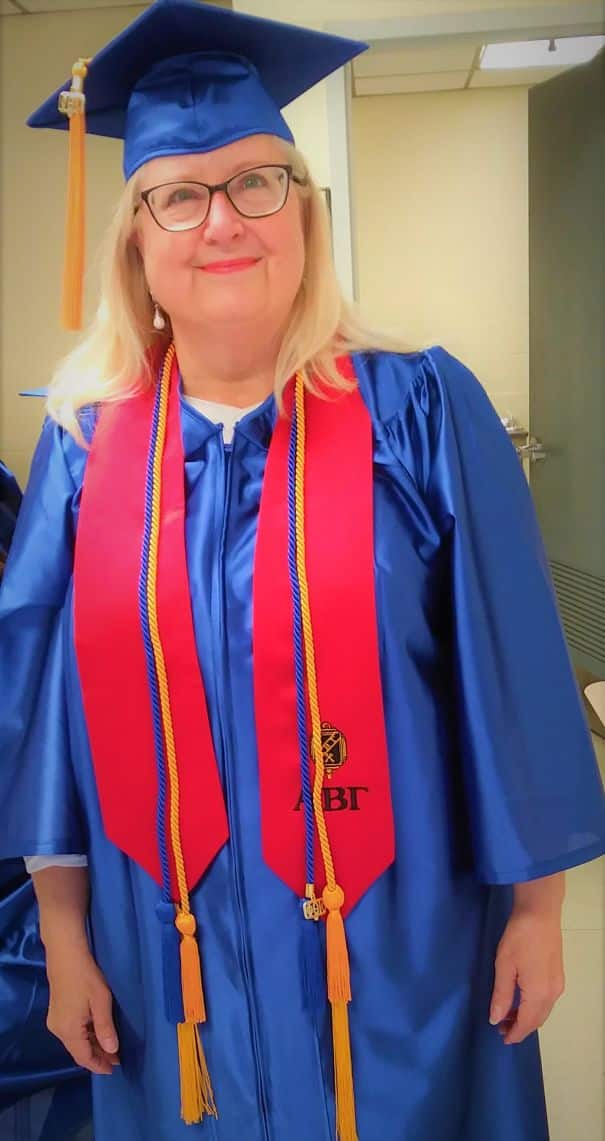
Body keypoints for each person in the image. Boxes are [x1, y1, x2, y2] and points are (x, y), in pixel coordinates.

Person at [1, 2, 604, 1139]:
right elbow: (45, 721)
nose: (222, 221)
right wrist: (65, 936)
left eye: (257, 183)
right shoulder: (83, 449)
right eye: (179, 195)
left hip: (400, 929)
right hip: (162, 943)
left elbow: (510, 671)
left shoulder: (417, 409)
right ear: (136, 239)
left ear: (305, 215)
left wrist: (535, 908)